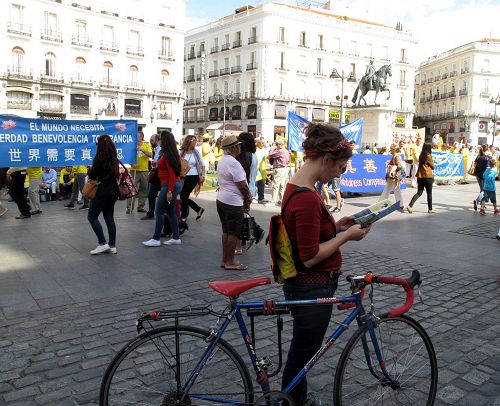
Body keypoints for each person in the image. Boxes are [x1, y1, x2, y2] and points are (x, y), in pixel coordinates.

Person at [280, 123, 370, 405]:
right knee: (302, 355)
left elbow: (309, 233)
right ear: (326, 159)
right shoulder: (307, 196)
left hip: (307, 286)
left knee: (302, 352)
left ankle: (296, 398)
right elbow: (309, 256)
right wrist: (345, 237)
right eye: (340, 168)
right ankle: (293, 401)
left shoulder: (300, 186)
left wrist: (334, 226)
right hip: (312, 286)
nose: (339, 174)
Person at [216, 135, 252, 270]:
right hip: (233, 202)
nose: (240, 147)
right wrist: (247, 199)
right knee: (233, 233)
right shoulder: (233, 162)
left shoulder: (223, 160)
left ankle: (225, 260)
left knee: (226, 231)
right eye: (238, 145)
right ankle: (230, 261)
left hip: (223, 199)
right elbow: (242, 185)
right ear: (233, 148)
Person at [143, 130, 183, 247]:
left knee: (159, 211)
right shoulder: (170, 153)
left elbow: (171, 174)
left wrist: (169, 190)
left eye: (159, 139)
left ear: (164, 141)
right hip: (172, 184)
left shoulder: (168, 155)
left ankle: (156, 239)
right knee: (170, 211)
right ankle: (176, 237)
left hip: (169, 185)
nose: (158, 141)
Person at [86, 134, 120, 255]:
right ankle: (112, 245)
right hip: (113, 192)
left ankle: (102, 243)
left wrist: (90, 169)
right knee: (109, 218)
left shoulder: (99, 158)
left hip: (102, 192)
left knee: (92, 216)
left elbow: (92, 176)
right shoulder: (114, 158)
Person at [178, 134, 206, 234]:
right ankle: (198, 209)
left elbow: (202, 164)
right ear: (188, 141)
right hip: (183, 176)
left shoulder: (196, 153)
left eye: (196, 140)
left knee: (183, 195)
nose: (195, 142)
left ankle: (183, 217)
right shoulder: (182, 152)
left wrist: (202, 175)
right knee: (183, 196)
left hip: (194, 176)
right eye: (193, 140)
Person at [126, 131, 152, 214]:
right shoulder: (132, 146)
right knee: (131, 189)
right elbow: (128, 157)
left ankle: (140, 207)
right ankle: (129, 207)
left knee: (144, 189)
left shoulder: (147, 145)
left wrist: (141, 149)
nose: (135, 138)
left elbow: (151, 155)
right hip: (134, 170)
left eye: (137, 136)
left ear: (141, 137)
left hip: (144, 170)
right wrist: (132, 164)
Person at [406, 142, 435, 214]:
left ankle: (410, 205)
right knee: (429, 193)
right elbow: (433, 167)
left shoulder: (421, 155)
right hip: (428, 176)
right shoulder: (429, 156)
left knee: (419, 192)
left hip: (420, 176)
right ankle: (430, 209)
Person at [379, 144, 404, 209]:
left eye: (392, 149)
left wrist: (393, 169)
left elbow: (399, 166)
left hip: (394, 176)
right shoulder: (394, 156)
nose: (390, 151)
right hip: (392, 177)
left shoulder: (396, 157)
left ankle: (400, 204)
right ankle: (400, 204)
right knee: (391, 189)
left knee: (394, 189)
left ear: (394, 150)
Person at [142, 134, 161, 220]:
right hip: (155, 174)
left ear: (157, 140)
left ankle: (153, 213)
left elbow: (158, 162)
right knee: (151, 195)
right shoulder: (155, 149)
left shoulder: (160, 150)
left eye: (152, 140)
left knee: (152, 194)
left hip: (158, 175)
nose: (150, 142)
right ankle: (151, 213)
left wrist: (155, 163)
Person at [267, 138, 290, 206]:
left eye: (277, 144)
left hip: (279, 169)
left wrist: (272, 148)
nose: (276, 146)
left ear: (280, 144)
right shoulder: (286, 150)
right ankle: (282, 200)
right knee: (282, 186)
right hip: (284, 169)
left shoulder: (280, 151)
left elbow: (270, 154)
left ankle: (273, 202)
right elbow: (288, 161)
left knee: (276, 185)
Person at [472, 145, 490, 211]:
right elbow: (488, 168)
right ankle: (477, 201)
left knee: (482, 189)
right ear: (487, 150)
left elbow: (475, 163)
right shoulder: (488, 158)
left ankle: (483, 205)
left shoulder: (478, 157)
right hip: (484, 176)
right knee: (483, 191)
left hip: (478, 175)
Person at [254, 137, 268, 203]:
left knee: (261, 183)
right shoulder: (255, 149)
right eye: (262, 143)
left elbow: (266, 158)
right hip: (255, 168)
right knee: (253, 183)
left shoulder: (264, 150)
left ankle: (261, 197)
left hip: (262, 169)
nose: (263, 144)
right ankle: (253, 197)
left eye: (264, 143)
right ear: (258, 143)